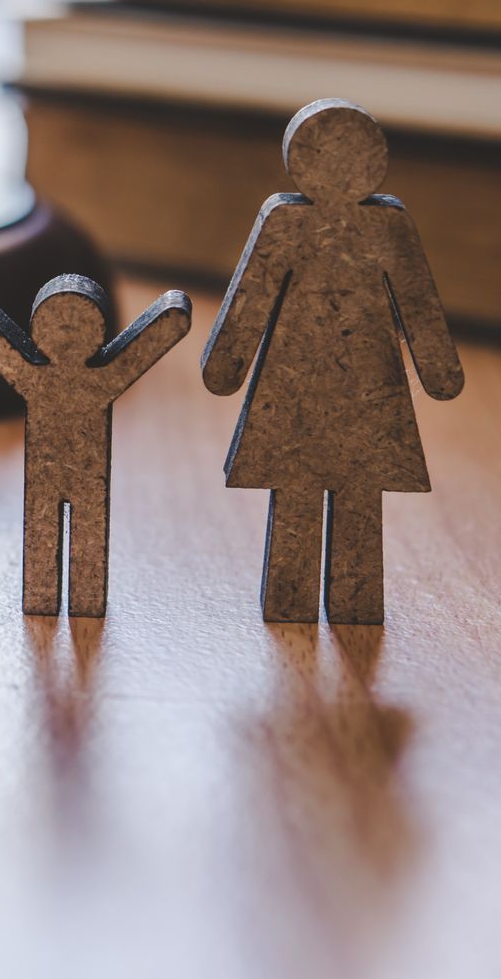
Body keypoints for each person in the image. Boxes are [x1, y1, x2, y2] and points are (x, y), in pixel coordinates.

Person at [201, 99, 464, 624]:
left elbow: (417, 304)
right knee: (315, 492)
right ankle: (300, 600)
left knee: (351, 496)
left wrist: (226, 367)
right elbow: (252, 296)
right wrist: (439, 372)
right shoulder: (289, 222)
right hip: (308, 394)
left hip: (350, 392)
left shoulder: (384, 226)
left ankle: (343, 603)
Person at [0, 275, 190, 616]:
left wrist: (172, 317)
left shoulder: (67, 377)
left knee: (78, 535)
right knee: (47, 532)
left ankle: (76, 600)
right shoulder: (59, 376)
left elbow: (146, 343)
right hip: (57, 474)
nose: (67, 335)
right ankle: (52, 599)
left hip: (80, 476)